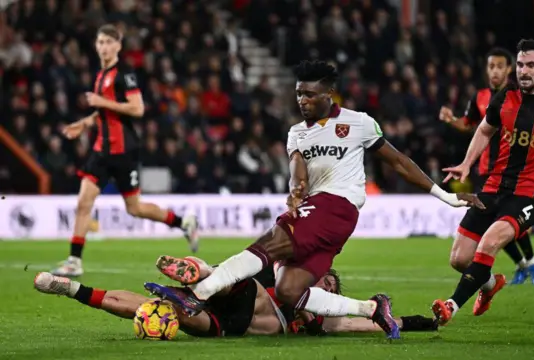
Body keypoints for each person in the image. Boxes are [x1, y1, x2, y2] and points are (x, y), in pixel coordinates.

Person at [150, 60, 483, 340]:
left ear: (328, 94)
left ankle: (199, 294)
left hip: (336, 205)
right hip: (321, 212)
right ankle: (372, 308)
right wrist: (295, 190)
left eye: (309, 94)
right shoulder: (298, 131)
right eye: (298, 93)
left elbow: (398, 162)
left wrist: (446, 196)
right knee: (288, 289)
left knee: (267, 247)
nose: (302, 100)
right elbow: (297, 168)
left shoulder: (359, 122)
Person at [431, 39, 534, 326]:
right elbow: (484, 131)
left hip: (529, 193)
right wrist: (466, 164)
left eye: (530, 65)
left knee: (490, 242)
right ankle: (489, 285)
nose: (523, 70)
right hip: (493, 186)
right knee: (460, 260)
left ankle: (451, 305)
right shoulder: (504, 98)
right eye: (521, 64)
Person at [51, 24, 198, 277]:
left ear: (118, 45)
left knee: (135, 208)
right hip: (101, 151)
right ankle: (74, 260)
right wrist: (85, 122)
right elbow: (105, 111)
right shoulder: (101, 75)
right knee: (84, 201)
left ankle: (182, 222)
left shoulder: (124, 74)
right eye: (100, 42)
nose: (104, 47)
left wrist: (100, 102)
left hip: (123, 151)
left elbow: (137, 108)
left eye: (109, 42)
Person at [34, 257, 438, 337]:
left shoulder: (325, 317)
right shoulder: (283, 279)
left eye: (330, 286)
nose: (326, 287)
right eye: (323, 280)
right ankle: (197, 272)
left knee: (158, 312)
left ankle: (70, 288)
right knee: (226, 277)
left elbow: (366, 321)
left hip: (230, 325)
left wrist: (422, 322)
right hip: (249, 296)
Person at [440, 48, 534, 285]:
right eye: (491, 67)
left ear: (509, 69)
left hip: (514, 171)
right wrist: (451, 120)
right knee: (493, 225)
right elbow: (470, 125)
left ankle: (532, 262)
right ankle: (523, 265)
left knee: (513, 222)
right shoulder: (479, 97)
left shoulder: (521, 97)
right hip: (486, 170)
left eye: (499, 66)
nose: (495, 71)